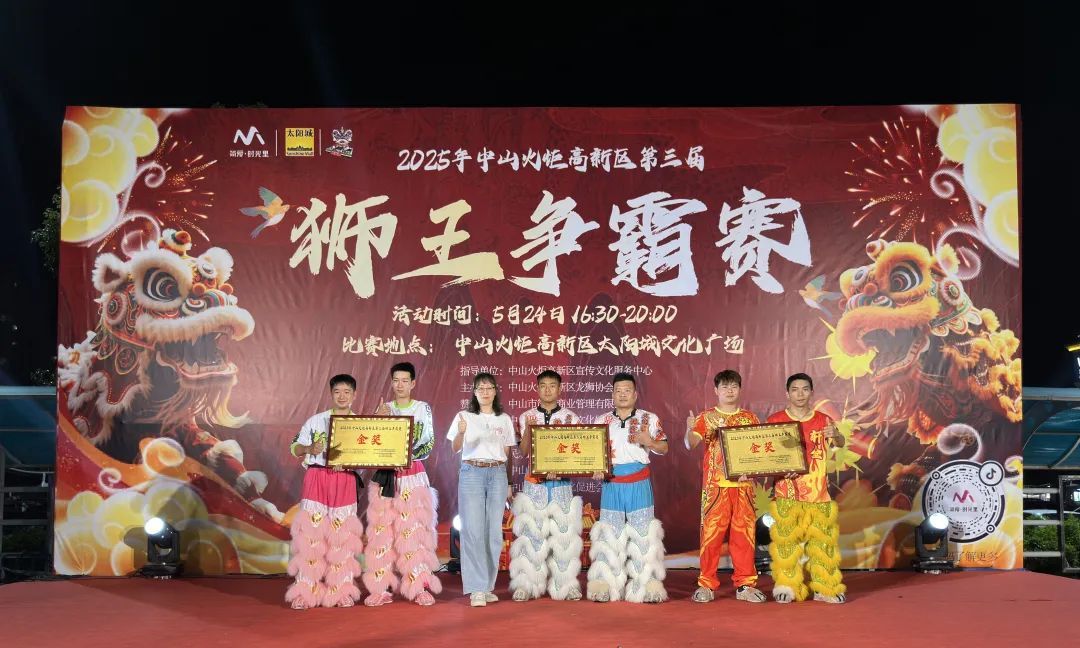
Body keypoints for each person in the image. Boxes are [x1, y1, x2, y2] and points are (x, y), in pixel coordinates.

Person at [362, 362, 442, 606]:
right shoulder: (384, 408)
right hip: (386, 476)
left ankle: (419, 587)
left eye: (405, 380)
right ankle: (380, 587)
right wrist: (378, 419)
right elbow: (371, 443)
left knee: (413, 531)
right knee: (382, 532)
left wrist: (403, 457)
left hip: (412, 474)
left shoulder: (422, 408)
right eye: (396, 380)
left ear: (413, 383)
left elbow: (427, 443)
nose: (400, 385)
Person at [586, 372, 668, 604]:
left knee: (643, 534)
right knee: (608, 534)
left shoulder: (649, 418)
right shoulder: (601, 421)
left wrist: (649, 442)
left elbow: (664, 448)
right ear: (612, 395)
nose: (622, 394)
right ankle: (604, 585)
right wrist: (595, 467)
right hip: (611, 483)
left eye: (627, 390)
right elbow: (591, 454)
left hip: (639, 483)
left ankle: (647, 586)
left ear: (635, 394)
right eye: (618, 391)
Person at [685, 369, 766, 603]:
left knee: (744, 537)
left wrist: (751, 470)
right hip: (715, 487)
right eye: (724, 387)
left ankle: (745, 585)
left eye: (733, 386)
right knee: (711, 537)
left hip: (743, 487)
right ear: (716, 390)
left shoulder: (750, 418)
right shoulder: (706, 417)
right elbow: (690, 444)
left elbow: (759, 452)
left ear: (740, 389)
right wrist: (689, 428)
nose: (729, 391)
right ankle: (706, 584)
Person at [284, 374, 364, 609]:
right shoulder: (316, 421)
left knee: (343, 535)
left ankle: (341, 590)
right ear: (331, 394)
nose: (342, 396)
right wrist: (309, 448)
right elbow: (294, 447)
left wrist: (349, 462)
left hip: (345, 479)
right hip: (317, 477)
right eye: (337, 392)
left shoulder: (361, 424)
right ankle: (305, 591)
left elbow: (369, 454)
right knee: (311, 534)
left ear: (354, 395)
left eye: (347, 392)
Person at [766, 372, 847, 604]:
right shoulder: (775, 420)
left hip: (818, 492)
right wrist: (781, 469)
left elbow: (839, 443)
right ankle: (787, 586)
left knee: (823, 543)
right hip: (786, 491)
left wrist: (837, 435)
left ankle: (825, 588)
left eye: (804, 389)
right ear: (787, 393)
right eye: (795, 389)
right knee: (786, 542)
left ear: (811, 392)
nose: (800, 394)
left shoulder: (824, 420)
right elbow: (766, 456)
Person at [510, 370, 584, 602]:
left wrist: (560, 469)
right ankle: (526, 584)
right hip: (535, 484)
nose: (548, 389)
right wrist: (529, 430)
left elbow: (578, 453)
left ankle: (566, 585)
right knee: (532, 534)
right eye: (543, 385)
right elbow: (522, 452)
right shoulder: (526, 416)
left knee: (564, 535)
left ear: (560, 389)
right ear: (537, 388)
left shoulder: (571, 418)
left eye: (553, 385)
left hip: (561, 483)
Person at [447, 372, 516, 607]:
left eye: (489, 388)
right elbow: (455, 448)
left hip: (497, 474)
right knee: (473, 530)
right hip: (472, 473)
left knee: (493, 532)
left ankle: (487, 586)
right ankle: (476, 588)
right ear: (474, 393)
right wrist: (461, 432)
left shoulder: (504, 419)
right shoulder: (464, 416)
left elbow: (508, 452)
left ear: (495, 391)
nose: (485, 392)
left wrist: (509, 483)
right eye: (480, 388)